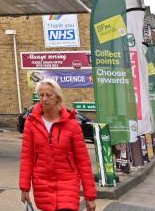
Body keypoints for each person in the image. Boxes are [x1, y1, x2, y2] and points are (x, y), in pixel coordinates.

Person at [19, 79, 97, 211]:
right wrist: (24, 188)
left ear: (58, 97)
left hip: (68, 183)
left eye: (49, 95)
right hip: (42, 184)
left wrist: (90, 196)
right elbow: (27, 158)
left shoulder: (72, 125)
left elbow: (83, 162)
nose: (44, 99)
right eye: (41, 95)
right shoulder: (31, 123)